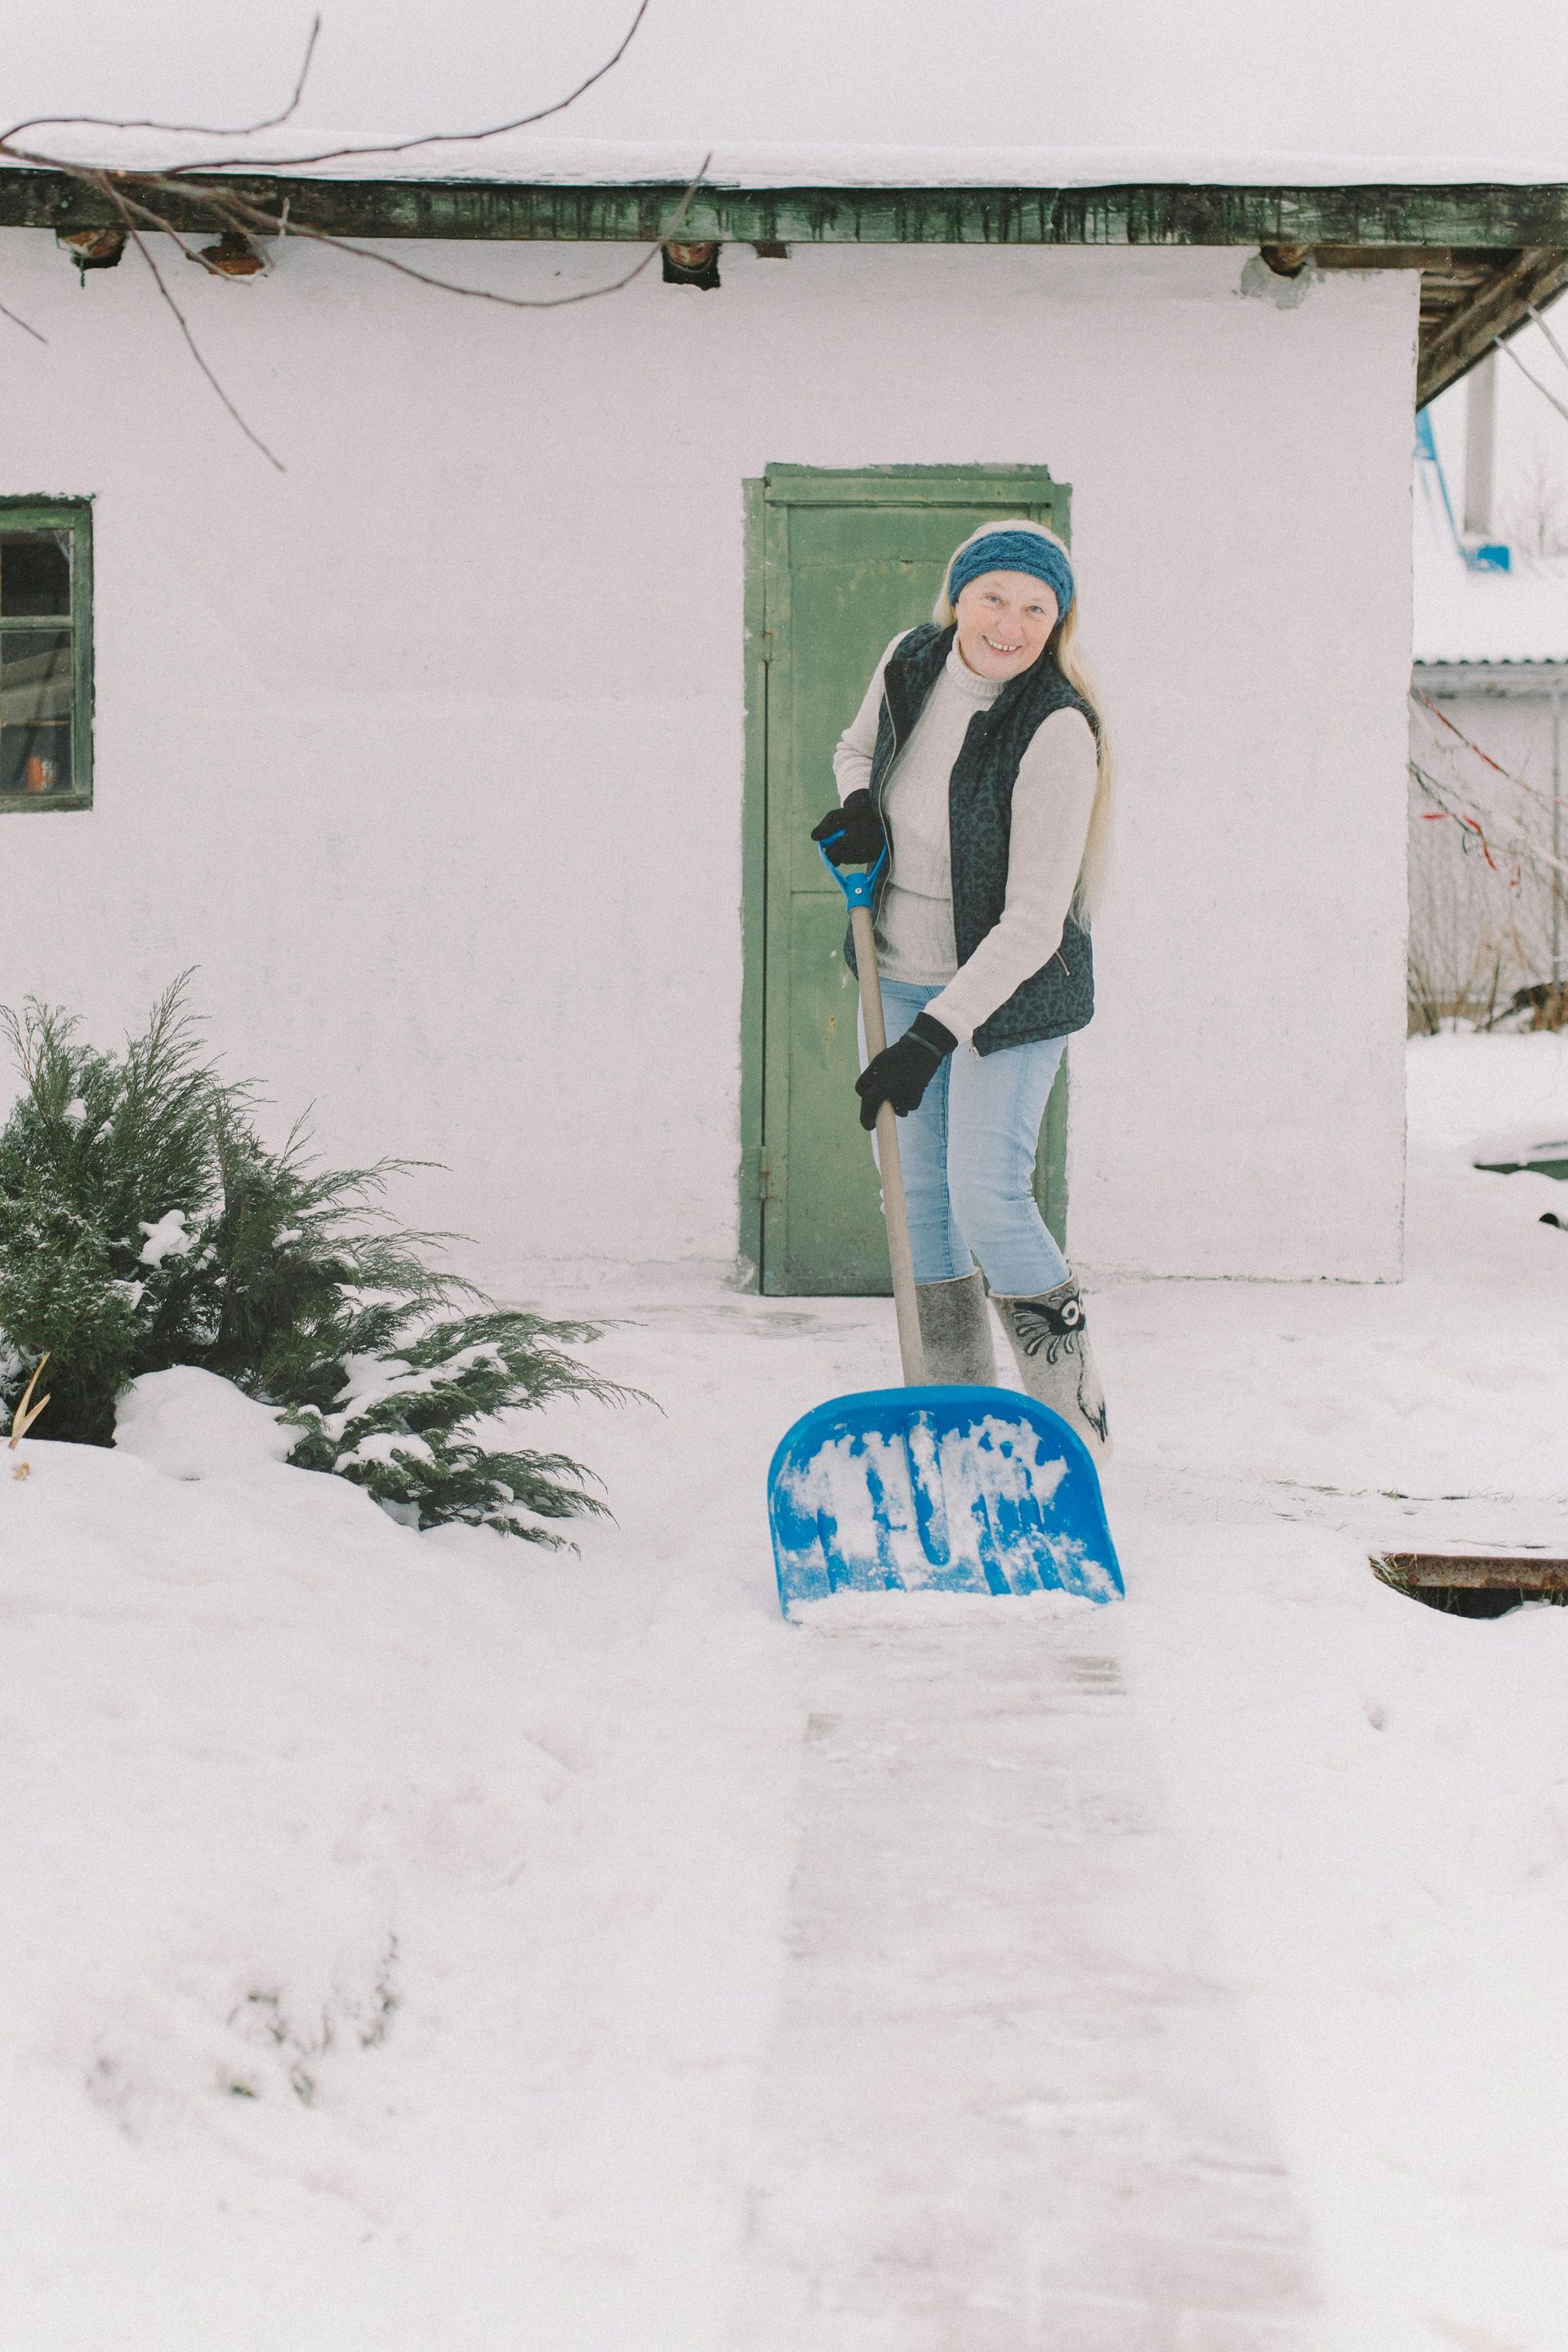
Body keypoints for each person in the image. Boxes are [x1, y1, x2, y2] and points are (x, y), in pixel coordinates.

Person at [811, 519, 1113, 1448]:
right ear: (958, 599)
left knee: (988, 1195)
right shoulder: (911, 661)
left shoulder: (1056, 726)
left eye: (1035, 608)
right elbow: (857, 748)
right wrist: (861, 803)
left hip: (1012, 996)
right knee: (922, 1204)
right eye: (994, 598)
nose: (1010, 624)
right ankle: (958, 1421)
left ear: (1056, 622)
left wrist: (930, 1040)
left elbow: (1031, 923)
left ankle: (1074, 1428)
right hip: (896, 968)